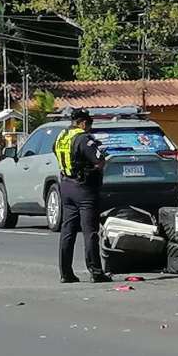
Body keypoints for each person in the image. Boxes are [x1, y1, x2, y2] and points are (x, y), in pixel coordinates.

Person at [53, 109, 112, 283]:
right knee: (90, 231)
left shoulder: (62, 136)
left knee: (68, 231)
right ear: (83, 123)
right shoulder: (83, 139)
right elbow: (99, 160)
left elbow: (56, 153)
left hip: (66, 185)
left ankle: (65, 273)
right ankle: (96, 271)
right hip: (84, 189)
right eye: (90, 125)